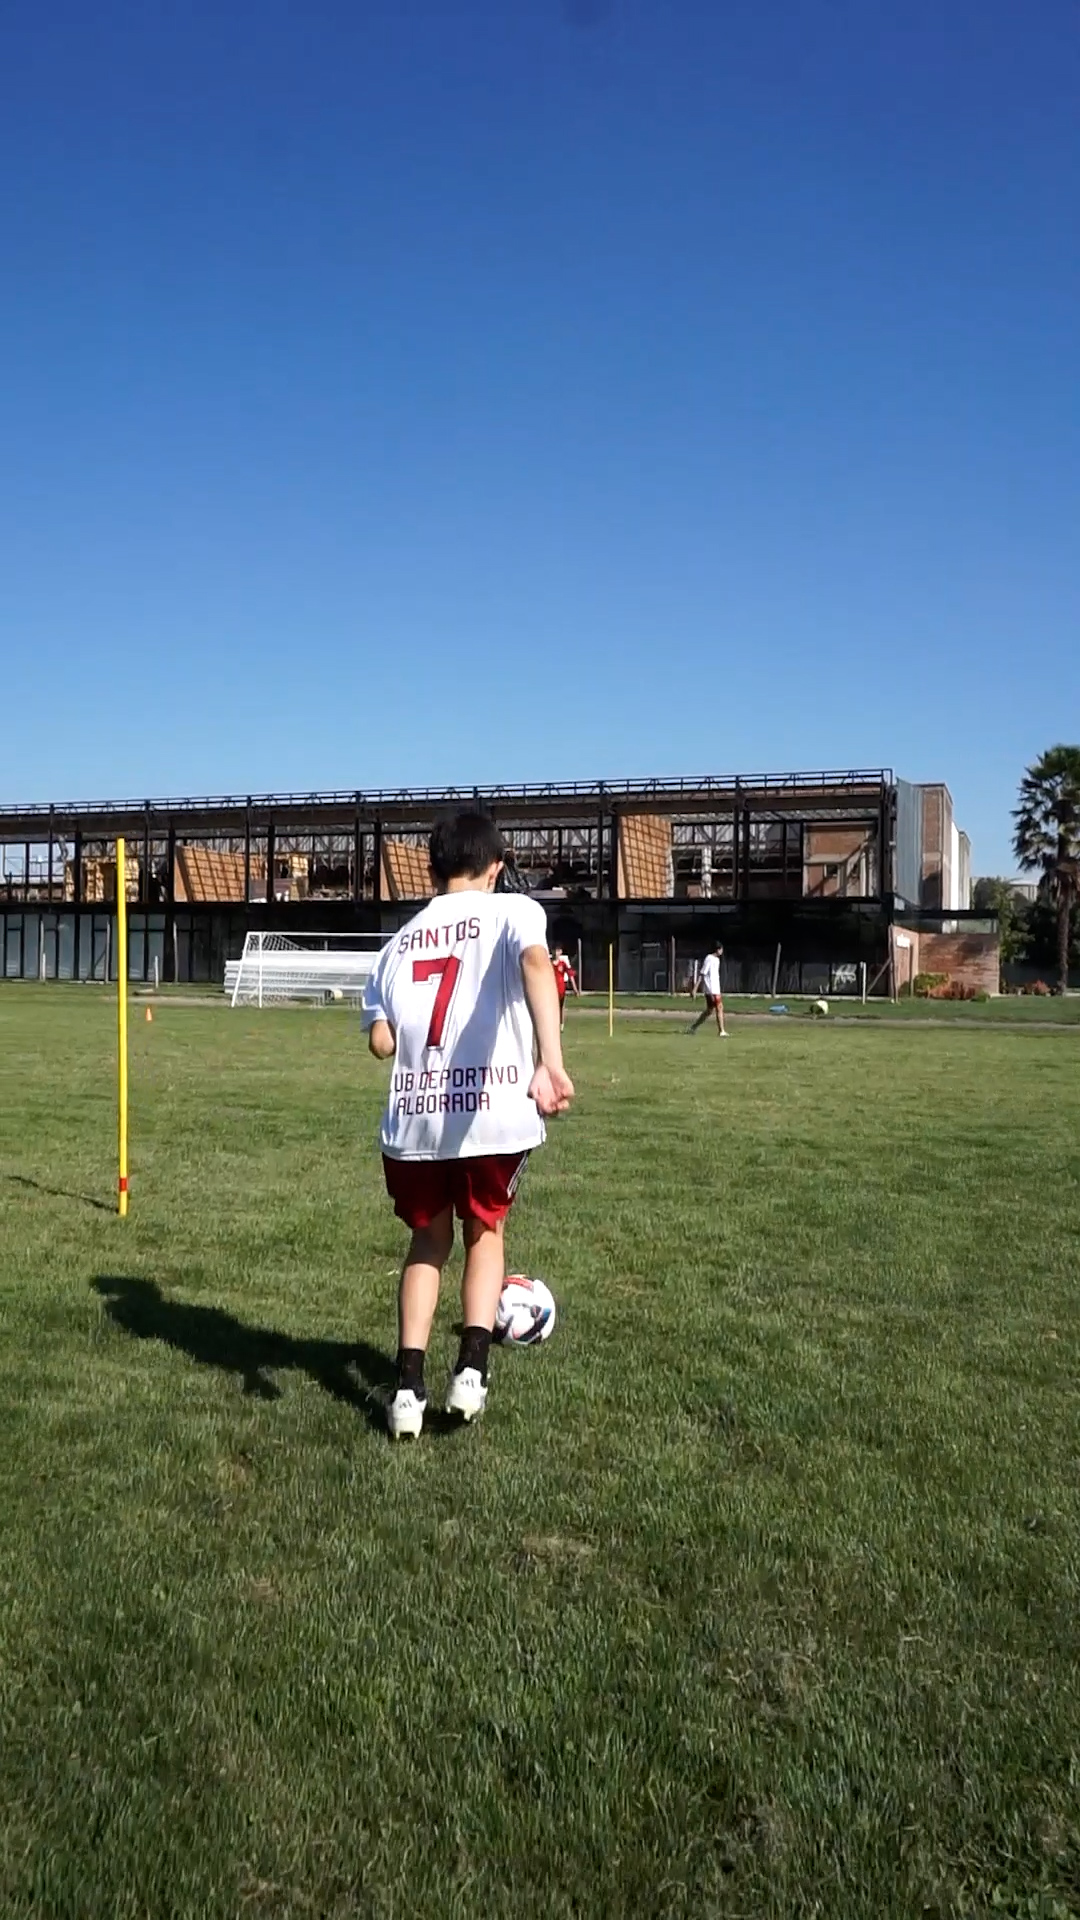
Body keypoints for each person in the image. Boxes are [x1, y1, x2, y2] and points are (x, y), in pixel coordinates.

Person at [361, 811, 575, 1439]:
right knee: (485, 1234)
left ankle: (407, 1389)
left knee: (427, 1244)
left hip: (414, 1121)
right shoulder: (514, 911)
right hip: (491, 1112)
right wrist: (550, 1061)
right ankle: (471, 1371)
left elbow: (380, 1042)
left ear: (433, 868)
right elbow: (535, 964)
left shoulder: (397, 944)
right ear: (496, 867)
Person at [688, 941, 728, 1037]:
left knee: (709, 1011)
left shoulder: (717, 960)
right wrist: (695, 989)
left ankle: (693, 1027)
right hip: (711, 989)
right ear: (718, 949)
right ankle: (721, 1031)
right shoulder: (709, 958)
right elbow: (702, 973)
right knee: (719, 1007)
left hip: (716, 988)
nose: (722, 951)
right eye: (721, 949)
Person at [551, 945, 579, 1031]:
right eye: (554, 951)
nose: (555, 953)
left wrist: (575, 989)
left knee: (561, 1007)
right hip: (551, 989)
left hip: (561, 989)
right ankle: (553, 1025)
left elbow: (570, 975)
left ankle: (561, 1024)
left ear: (560, 952)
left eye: (557, 951)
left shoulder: (563, 964)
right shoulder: (548, 963)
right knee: (552, 1008)